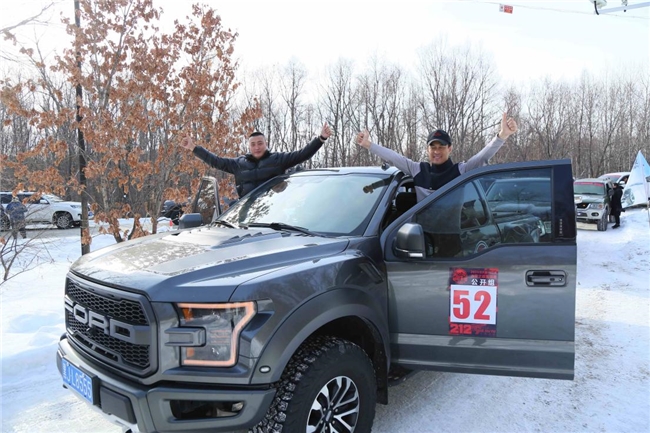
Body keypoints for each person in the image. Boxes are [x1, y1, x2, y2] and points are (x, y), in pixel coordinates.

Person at [355, 113, 518, 202]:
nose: (437, 151)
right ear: (427, 149)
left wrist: (502, 136)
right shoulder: (418, 170)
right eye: (433, 147)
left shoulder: (461, 171)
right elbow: (393, 157)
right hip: (420, 240)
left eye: (441, 147)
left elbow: (483, 156)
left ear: (450, 149)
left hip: (452, 241)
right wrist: (369, 145)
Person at [181, 123, 332, 198]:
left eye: (260, 143)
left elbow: (303, 154)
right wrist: (194, 147)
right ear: (249, 146)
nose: (257, 147)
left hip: (273, 213)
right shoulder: (238, 164)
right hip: (246, 213)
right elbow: (216, 161)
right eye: (253, 144)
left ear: (265, 144)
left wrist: (321, 139)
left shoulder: (278, 160)